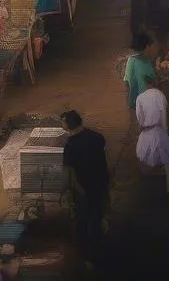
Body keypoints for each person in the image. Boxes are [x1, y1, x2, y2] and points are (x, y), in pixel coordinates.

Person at [61, 110, 109, 265]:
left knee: (83, 223)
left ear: (69, 125)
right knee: (97, 217)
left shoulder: (70, 146)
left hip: (83, 189)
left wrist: (72, 191)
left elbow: (70, 172)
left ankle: (87, 258)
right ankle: (99, 252)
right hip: (100, 185)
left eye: (62, 122)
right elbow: (104, 160)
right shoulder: (97, 137)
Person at [135, 81, 169, 193]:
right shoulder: (160, 95)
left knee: (144, 154)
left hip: (146, 130)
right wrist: (165, 130)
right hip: (157, 129)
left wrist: (143, 128)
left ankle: (145, 188)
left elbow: (139, 117)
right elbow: (163, 115)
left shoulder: (140, 97)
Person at [123, 32, 158, 111]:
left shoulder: (130, 60)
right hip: (145, 102)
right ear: (146, 47)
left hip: (133, 101)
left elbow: (126, 81)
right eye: (149, 47)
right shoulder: (146, 63)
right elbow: (154, 80)